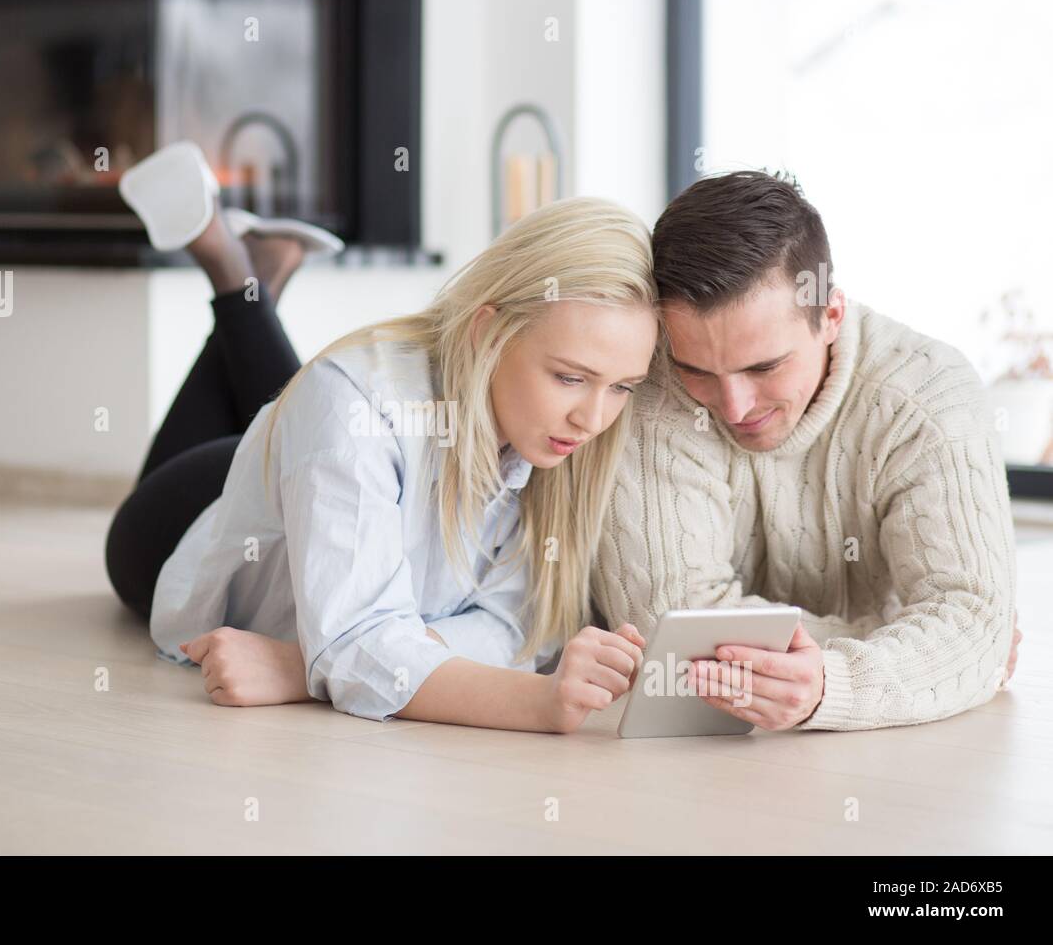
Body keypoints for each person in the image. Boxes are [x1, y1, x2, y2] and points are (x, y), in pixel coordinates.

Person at [106, 141, 660, 732]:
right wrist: (536, 702)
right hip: (180, 514)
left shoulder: (557, 436)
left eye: (623, 386)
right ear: (486, 332)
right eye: (570, 378)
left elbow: (513, 628)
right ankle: (231, 266)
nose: (593, 419)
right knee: (324, 401)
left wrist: (304, 666)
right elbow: (356, 643)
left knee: (300, 403)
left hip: (315, 459)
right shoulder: (352, 403)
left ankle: (251, 280)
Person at [594, 170, 1021, 732]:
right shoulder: (651, 382)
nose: (735, 405)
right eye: (697, 370)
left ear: (831, 316)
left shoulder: (929, 396)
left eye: (764, 366)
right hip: (683, 747)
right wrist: (912, 643)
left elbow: (973, 620)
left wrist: (829, 686)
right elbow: (669, 629)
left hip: (887, 754)